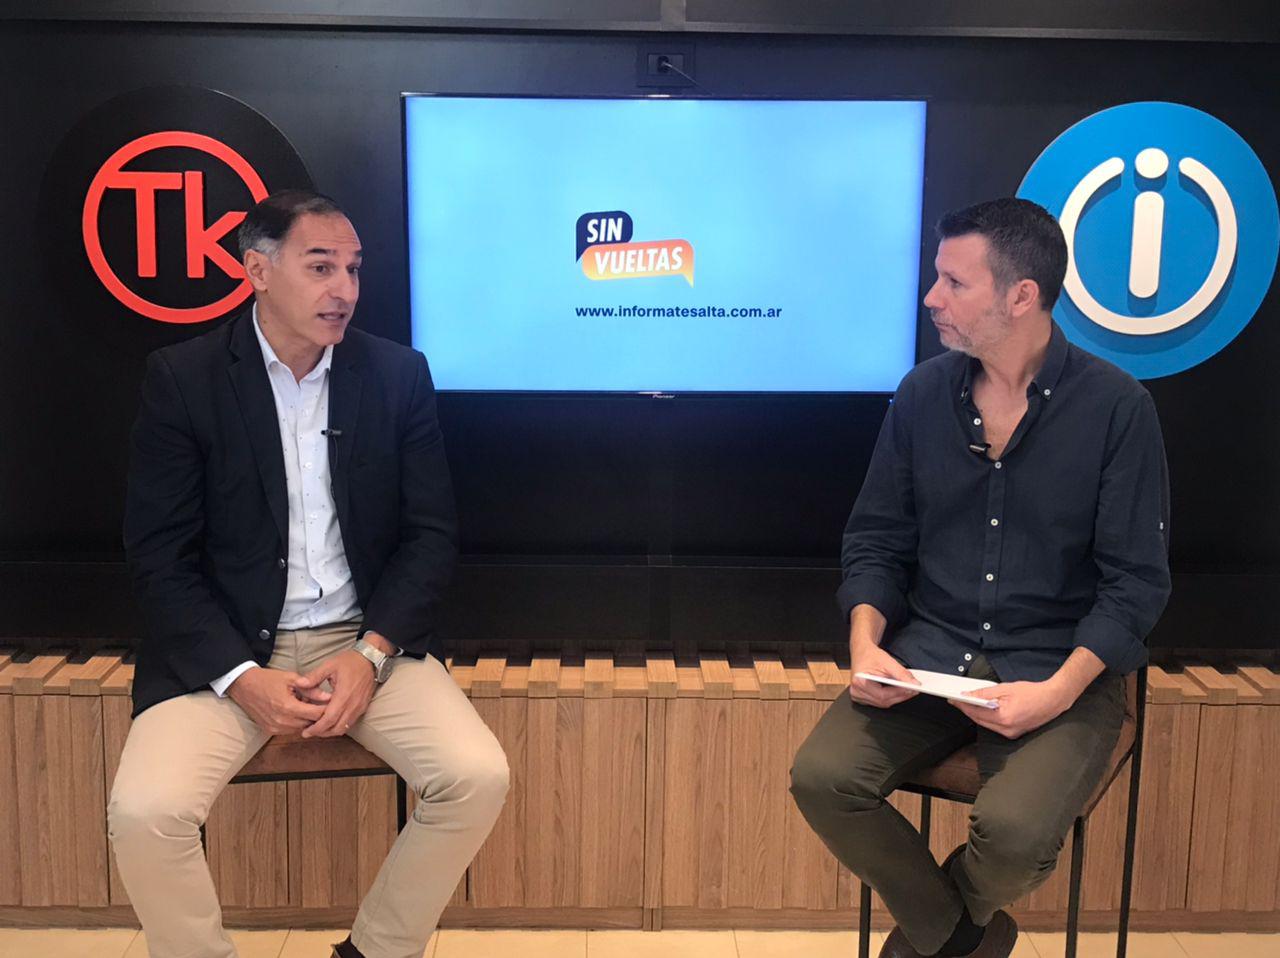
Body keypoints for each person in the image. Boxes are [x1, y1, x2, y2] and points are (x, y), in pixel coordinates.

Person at [109, 190, 509, 958]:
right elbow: (158, 558)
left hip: (361, 642)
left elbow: (430, 538)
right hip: (227, 651)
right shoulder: (185, 379)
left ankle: (374, 951)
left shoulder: (396, 375)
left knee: (476, 776)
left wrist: (371, 655)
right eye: (321, 267)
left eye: (353, 269)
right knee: (145, 813)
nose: (344, 290)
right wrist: (239, 677)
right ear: (257, 270)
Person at [789, 198, 1171, 958]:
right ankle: (964, 937)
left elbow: (1136, 584)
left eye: (954, 283)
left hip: (1058, 669)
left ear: (1021, 296)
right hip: (931, 657)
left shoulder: (1117, 409)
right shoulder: (921, 394)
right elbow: (876, 539)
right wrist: (866, 644)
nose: (932, 297)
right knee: (822, 778)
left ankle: (934, 935)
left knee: (1016, 834)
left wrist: (1055, 694)